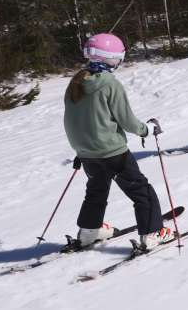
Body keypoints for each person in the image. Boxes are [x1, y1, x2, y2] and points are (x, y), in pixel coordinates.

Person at [63, 33, 173, 252]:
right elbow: (127, 120)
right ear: (111, 59)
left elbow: (73, 120)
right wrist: (147, 130)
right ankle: (152, 233)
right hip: (113, 153)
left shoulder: (76, 81)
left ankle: (89, 231)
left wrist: (82, 148)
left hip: (87, 153)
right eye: (118, 57)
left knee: (96, 190)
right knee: (141, 191)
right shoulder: (109, 84)